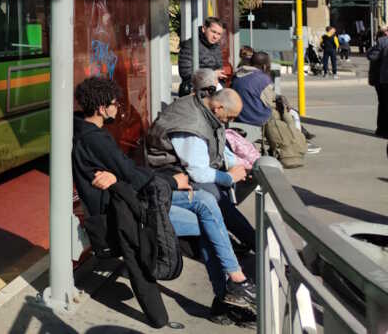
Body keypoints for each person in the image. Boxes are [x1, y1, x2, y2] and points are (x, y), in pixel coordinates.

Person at [72, 78, 257, 326]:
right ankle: (233, 287)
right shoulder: (96, 139)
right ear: (101, 108)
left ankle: (231, 290)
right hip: (129, 211)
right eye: (115, 103)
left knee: (204, 202)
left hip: (135, 199)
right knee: (207, 217)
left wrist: (123, 177)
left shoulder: (87, 133)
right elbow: (131, 175)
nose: (118, 108)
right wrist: (172, 182)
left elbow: (125, 173)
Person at [146, 88, 258, 252]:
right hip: (169, 173)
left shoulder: (201, 106)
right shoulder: (192, 127)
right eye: (230, 116)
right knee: (218, 200)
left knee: (223, 198)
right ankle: (248, 246)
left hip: (182, 168)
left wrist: (232, 166)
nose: (230, 121)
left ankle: (242, 242)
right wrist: (229, 177)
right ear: (218, 107)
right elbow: (198, 173)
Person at [178, 16, 226, 96]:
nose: (216, 37)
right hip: (195, 94)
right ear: (204, 29)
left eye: (219, 34)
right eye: (213, 32)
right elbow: (186, 73)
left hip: (213, 92)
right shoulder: (190, 45)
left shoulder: (216, 47)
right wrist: (212, 75)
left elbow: (219, 68)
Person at [231, 52, 274, 127]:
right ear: (264, 66)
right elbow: (270, 103)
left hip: (238, 119)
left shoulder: (237, 75)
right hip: (258, 121)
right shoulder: (264, 79)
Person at [366, 27, 388, 138]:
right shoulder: (383, 41)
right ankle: (382, 129)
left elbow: (370, 56)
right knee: (384, 104)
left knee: (383, 104)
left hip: (382, 79)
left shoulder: (382, 41)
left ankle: (382, 129)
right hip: (382, 79)